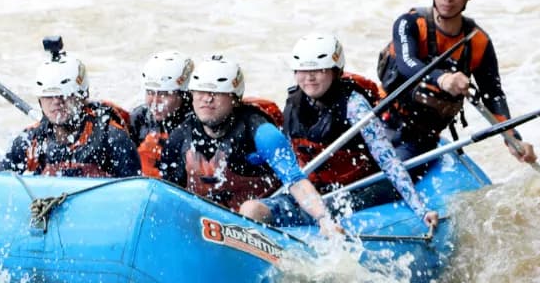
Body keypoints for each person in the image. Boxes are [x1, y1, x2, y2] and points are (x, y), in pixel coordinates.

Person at [240, 35, 438, 229]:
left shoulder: (354, 105)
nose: (309, 77)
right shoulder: (294, 103)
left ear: (335, 71)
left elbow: (388, 160)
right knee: (251, 209)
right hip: (311, 190)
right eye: (303, 70)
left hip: (355, 190)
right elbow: (288, 160)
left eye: (319, 69)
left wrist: (421, 210)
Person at [378, 0, 537, 171]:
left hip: (419, 139)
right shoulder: (409, 24)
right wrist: (443, 79)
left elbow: (493, 95)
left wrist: (512, 138)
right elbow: (407, 64)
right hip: (381, 123)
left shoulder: (478, 42)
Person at [158, 55, 342, 238]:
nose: (207, 99)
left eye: (217, 93)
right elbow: (168, 192)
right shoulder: (180, 136)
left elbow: (296, 181)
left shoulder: (260, 131)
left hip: (272, 207)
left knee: (250, 209)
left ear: (234, 98)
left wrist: (323, 218)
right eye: (200, 92)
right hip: (218, 220)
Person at [0, 53, 141, 177]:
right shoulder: (29, 141)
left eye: (64, 95)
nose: (56, 102)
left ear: (83, 96)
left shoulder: (112, 140)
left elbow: (135, 195)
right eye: (49, 96)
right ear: (39, 101)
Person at [128, 51, 194, 178]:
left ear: (183, 94)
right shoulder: (139, 118)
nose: (155, 101)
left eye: (165, 93)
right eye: (150, 92)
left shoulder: (198, 124)